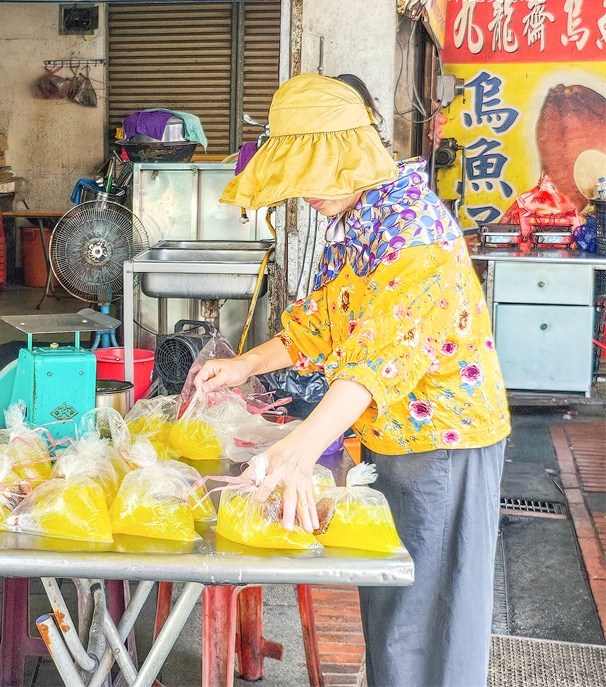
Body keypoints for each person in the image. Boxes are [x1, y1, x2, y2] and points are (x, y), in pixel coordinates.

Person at [197, 73, 510, 687]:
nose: (304, 193)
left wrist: (299, 448)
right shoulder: (365, 218)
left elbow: (375, 361)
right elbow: (324, 323)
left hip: (442, 444)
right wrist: (244, 365)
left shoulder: (409, 229)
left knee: (427, 626)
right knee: (395, 617)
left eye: (311, 172)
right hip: (399, 438)